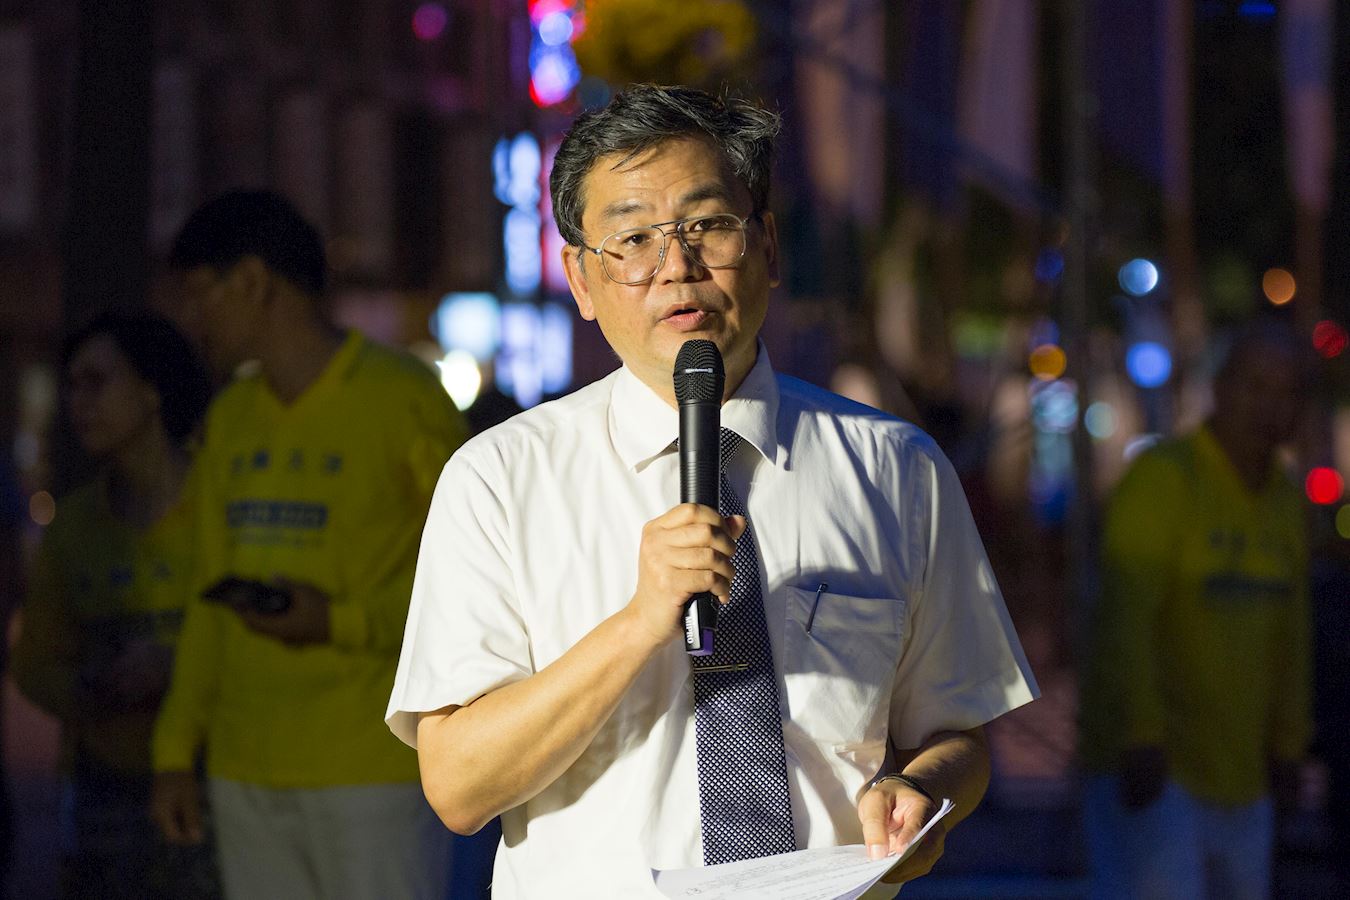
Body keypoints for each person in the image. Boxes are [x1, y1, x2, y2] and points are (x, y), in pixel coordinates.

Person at [386, 84, 1039, 899]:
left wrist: (922, 790)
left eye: (707, 226)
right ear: (581, 278)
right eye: (633, 239)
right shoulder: (499, 480)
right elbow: (458, 788)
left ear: (767, 245)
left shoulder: (897, 469)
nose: (677, 268)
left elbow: (957, 731)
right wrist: (637, 624)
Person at [148, 190, 469, 900]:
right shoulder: (231, 416)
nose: (190, 319)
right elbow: (207, 593)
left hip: (372, 770)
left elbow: (468, 581)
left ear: (253, 282)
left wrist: (338, 621)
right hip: (244, 768)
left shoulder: (403, 399)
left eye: (200, 294)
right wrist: (174, 752)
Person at [1078, 320, 1313, 900]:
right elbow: (1126, 617)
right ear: (1221, 388)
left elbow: (1292, 636)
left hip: (1243, 776)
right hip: (1159, 768)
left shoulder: (1284, 499)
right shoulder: (1165, 477)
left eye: (1286, 393)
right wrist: (1140, 734)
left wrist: (1289, 746)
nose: (1270, 407)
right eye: (1256, 387)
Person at [12, 311, 217, 898]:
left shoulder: (218, 506)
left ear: (152, 391)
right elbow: (34, 664)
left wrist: (175, 670)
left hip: (215, 778)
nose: (78, 403)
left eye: (97, 382)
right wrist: (92, 686)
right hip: (105, 792)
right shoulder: (75, 526)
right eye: (72, 385)